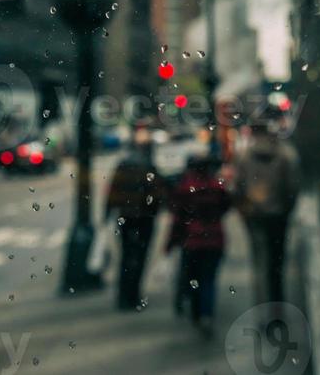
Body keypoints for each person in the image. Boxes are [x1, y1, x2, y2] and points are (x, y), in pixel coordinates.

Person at [232, 121, 300, 305]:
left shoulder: (245, 156)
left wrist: (245, 211)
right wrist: (286, 209)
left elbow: (238, 187)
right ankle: (277, 304)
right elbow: (292, 186)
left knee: (259, 261)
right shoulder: (284, 154)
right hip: (278, 215)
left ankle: (262, 303)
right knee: (277, 263)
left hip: (255, 216)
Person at [166, 154, 231, 338]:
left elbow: (177, 219)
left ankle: (196, 313)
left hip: (192, 242)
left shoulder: (185, 190)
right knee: (209, 279)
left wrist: (171, 242)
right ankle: (207, 314)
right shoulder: (216, 188)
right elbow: (226, 206)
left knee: (193, 277)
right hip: (215, 240)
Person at [105, 128, 163, 310]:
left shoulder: (123, 165)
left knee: (126, 255)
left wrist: (107, 213)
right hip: (144, 218)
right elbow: (157, 195)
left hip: (125, 217)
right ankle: (134, 294)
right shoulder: (149, 166)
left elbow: (112, 193)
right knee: (140, 256)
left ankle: (123, 296)